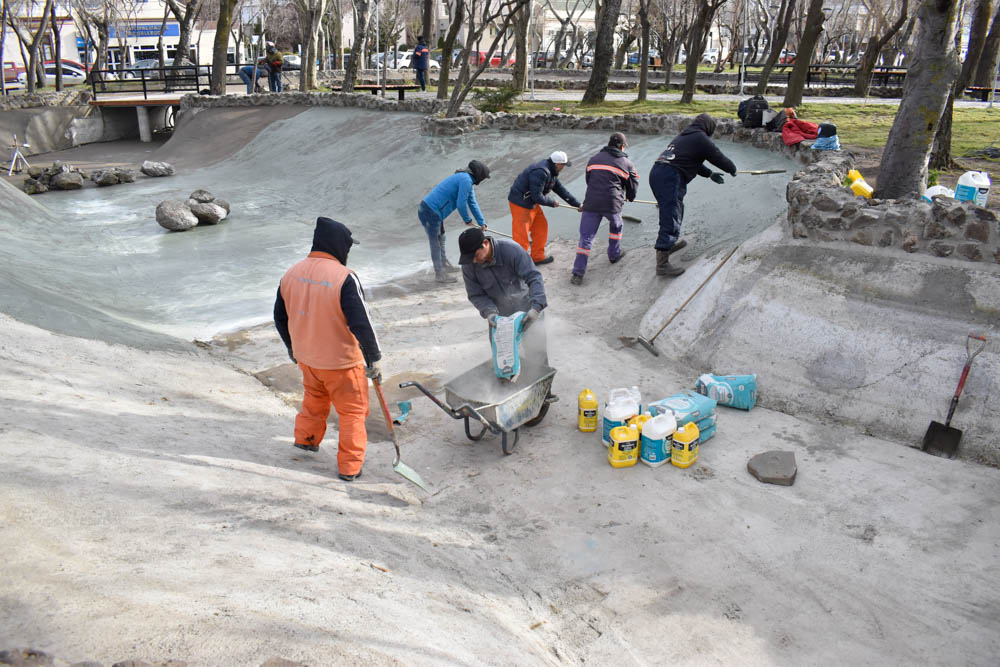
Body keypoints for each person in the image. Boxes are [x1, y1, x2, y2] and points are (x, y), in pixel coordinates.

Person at [273, 217, 382, 482]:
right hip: (341, 363)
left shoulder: (291, 273)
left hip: (308, 359)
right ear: (338, 246)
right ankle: (350, 467)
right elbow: (361, 322)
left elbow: (279, 316)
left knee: (314, 399)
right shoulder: (344, 277)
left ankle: (306, 440)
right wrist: (374, 357)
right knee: (353, 413)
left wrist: (292, 348)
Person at [649, 113, 737, 278]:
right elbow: (716, 155)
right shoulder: (700, 138)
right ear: (709, 127)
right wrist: (731, 168)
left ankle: (669, 245)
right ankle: (662, 264)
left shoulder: (685, 135)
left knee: (676, 209)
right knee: (671, 215)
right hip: (670, 176)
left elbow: (692, 161)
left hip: (659, 173)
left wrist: (710, 174)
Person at [458, 226, 548, 367]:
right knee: (503, 361)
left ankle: (542, 387)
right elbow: (476, 294)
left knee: (537, 355)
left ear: (485, 244)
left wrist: (536, 308)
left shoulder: (511, 250)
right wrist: (490, 313)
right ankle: (509, 387)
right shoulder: (469, 265)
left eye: (475, 256)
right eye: (470, 258)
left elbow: (534, 277)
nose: (474, 261)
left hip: (527, 308)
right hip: (500, 317)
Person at [571, 132, 639, 285]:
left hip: (591, 203)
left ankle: (577, 274)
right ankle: (614, 255)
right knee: (616, 228)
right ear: (622, 146)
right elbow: (633, 184)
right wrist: (630, 197)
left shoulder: (593, 159)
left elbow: (589, 180)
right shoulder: (627, 162)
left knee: (586, 238)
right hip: (612, 204)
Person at [419, 160, 491, 284]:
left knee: (442, 238)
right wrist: (467, 219)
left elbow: (472, 203)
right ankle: (440, 274)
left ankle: (443, 265)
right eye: (483, 177)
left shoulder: (466, 179)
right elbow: (461, 204)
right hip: (429, 211)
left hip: (433, 211)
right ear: (478, 175)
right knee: (436, 241)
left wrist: (481, 222)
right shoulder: (466, 180)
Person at [507, 151, 582, 266]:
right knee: (521, 237)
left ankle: (537, 257)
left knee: (541, 228)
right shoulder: (541, 172)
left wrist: (577, 204)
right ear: (558, 164)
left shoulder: (551, 171)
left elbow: (560, 189)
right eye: (563, 165)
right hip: (521, 204)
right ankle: (519, 265)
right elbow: (537, 196)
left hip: (531, 203)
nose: (564, 168)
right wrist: (552, 202)